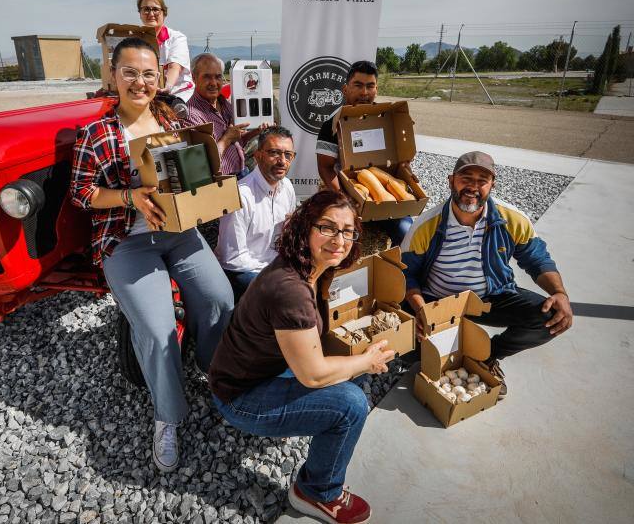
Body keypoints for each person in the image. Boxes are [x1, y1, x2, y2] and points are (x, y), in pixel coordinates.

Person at [69, 36, 234, 473]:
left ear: (159, 76)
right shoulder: (97, 133)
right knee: (158, 330)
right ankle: (168, 415)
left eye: (148, 73)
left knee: (220, 299)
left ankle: (209, 369)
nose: (140, 82)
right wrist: (129, 197)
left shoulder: (171, 116)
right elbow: (82, 193)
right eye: (130, 73)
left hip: (180, 232)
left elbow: (194, 169)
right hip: (128, 240)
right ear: (113, 76)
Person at [209, 190, 395, 524]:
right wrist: (365, 361)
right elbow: (313, 375)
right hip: (240, 396)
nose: (340, 240)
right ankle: (317, 492)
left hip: (259, 370)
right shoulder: (291, 290)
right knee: (351, 404)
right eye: (327, 227)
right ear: (305, 228)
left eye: (348, 231)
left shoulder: (308, 268)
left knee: (353, 370)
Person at [400, 151, 573, 396]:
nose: (473, 187)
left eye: (482, 180)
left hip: (490, 298)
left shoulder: (511, 219)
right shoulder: (426, 225)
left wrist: (559, 292)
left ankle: (486, 356)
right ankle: (455, 347)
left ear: (492, 185)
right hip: (437, 302)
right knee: (409, 353)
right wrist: (421, 311)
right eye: (466, 178)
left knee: (554, 316)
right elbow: (406, 274)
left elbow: (537, 259)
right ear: (451, 181)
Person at [316, 59, 413, 246]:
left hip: (386, 196)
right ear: (345, 89)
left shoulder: (386, 119)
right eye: (358, 85)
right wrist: (346, 201)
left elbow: (398, 160)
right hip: (349, 194)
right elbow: (325, 167)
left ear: (376, 89)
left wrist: (405, 170)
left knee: (408, 234)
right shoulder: (332, 124)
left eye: (370, 86)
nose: (364, 92)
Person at [215, 126, 297, 303]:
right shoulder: (240, 196)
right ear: (258, 156)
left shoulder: (287, 187)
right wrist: (272, 273)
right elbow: (233, 258)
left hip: (275, 266)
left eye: (288, 155)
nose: (282, 161)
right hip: (244, 272)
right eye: (274, 153)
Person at [187, 52, 266, 178]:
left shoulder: (224, 104)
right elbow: (200, 164)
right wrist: (227, 138)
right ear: (194, 77)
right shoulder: (191, 115)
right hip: (221, 183)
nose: (213, 83)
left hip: (241, 173)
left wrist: (256, 131)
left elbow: (236, 140)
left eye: (218, 77)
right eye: (207, 77)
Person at [137, 0, 195, 102]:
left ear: (164, 13)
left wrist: (167, 87)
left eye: (155, 9)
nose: (151, 13)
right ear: (140, 14)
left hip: (177, 95)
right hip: (148, 96)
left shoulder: (176, 38)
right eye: (146, 9)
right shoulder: (135, 42)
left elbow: (174, 67)